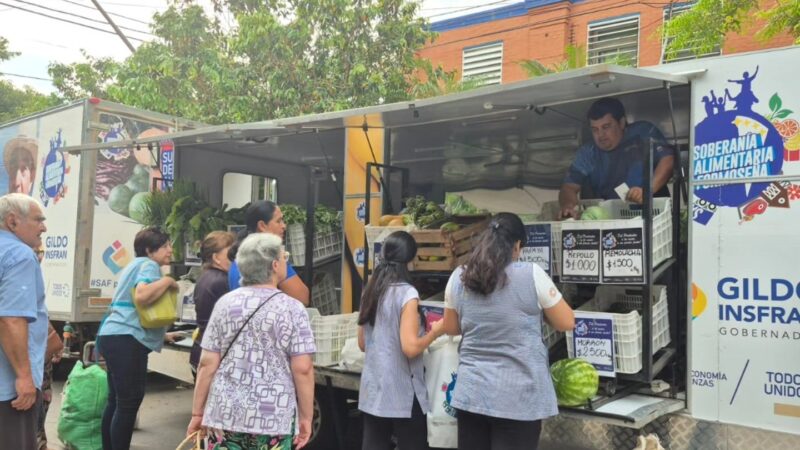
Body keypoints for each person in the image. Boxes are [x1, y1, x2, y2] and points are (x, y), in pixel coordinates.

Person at [442, 213, 575, 450]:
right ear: (516, 246)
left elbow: (451, 327)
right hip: (518, 398)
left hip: (472, 393)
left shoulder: (459, 276)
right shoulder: (531, 274)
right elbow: (566, 322)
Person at [187, 233, 316, 449]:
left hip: (225, 414)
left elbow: (207, 363)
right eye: (285, 257)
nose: (286, 260)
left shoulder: (225, 304)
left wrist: (197, 412)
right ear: (275, 265)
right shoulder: (293, 309)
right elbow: (303, 368)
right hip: (274, 417)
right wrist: (306, 418)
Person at [357, 231, 445, 450]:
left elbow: (362, 343)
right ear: (411, 261)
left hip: (374, 388)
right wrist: (435, 332)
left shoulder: (370, 290)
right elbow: (410, 347)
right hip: (403, 391)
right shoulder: (407, 294)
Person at [97, 227, 178, 450]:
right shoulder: (148, 265)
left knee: (116, 401)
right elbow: (142, 297)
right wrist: (168, 282)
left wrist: (163, 335)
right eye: (165, 246)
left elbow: (136, 308)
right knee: (128, 403)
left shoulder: (133, 265)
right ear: (149, 250)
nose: (170, 250)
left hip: (113, 336)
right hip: (125, 339)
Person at [559, 97, 674, 218]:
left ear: (622, 123)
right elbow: (569, 187)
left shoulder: (643, 133)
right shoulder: (588, 152)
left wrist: (647, 190)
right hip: (609, 220)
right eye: (595, 129)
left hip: (653, 217)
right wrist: (568, 206)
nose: (600, 135)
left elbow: (668, 160)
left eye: (606, 127)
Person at [0, 193, 48, 450]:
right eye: (38, 220)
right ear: (12, 221)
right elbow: (11, 319)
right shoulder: (19, 254)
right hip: (8, 390)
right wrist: (24, 377)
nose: (44, 227)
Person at [228, 200, 309, 305]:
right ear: (262, 225)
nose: (284, 226)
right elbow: (302, 298)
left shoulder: (238, 257)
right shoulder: (273, 258)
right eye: (278, 221)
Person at [189, 231, 236, 378]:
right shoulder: (222, 281)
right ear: (216, 258)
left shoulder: (206, 277)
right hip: (214, 353)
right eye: (231, 254)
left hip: (201, 347)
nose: (236, 259)